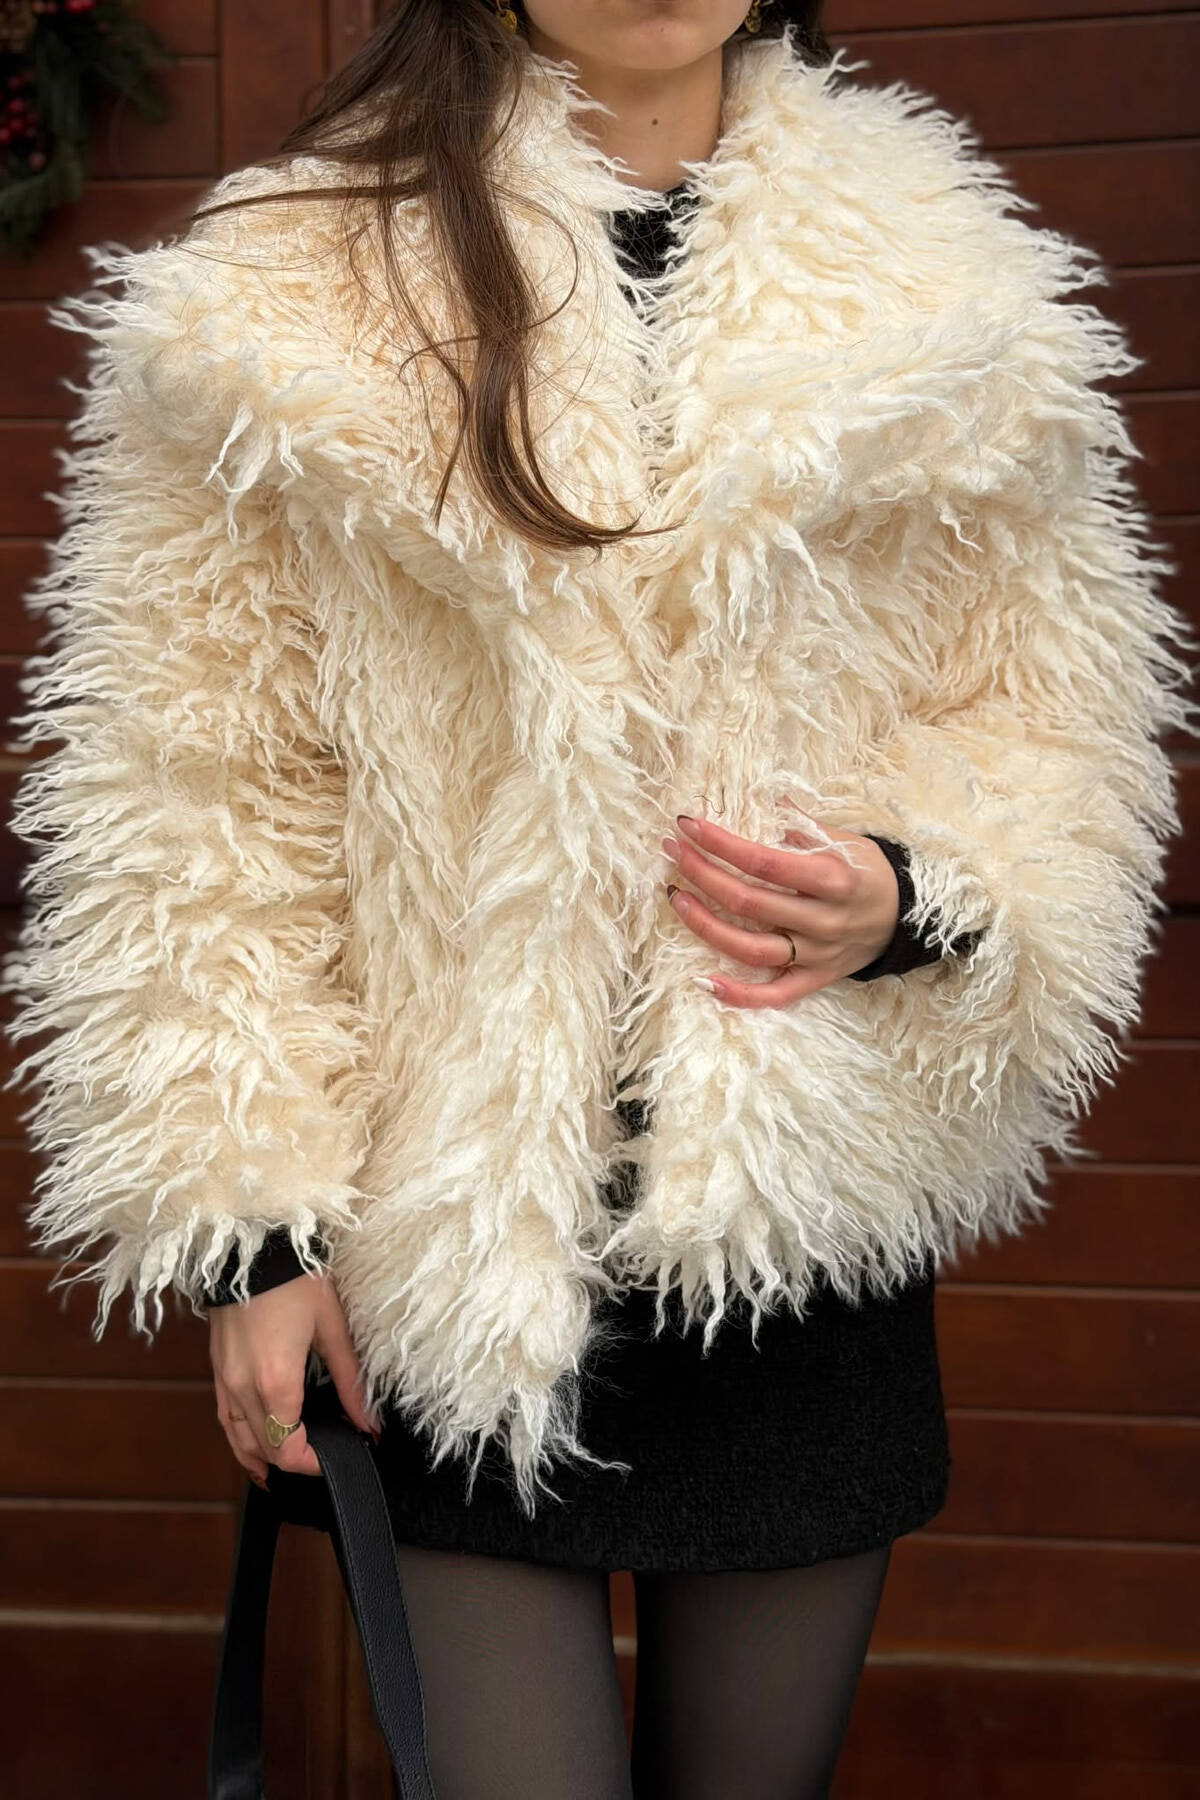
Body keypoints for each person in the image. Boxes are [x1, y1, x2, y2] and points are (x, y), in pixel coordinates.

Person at [3, 3, 1193, 1796]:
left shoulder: (949, 276)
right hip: (448, 1234)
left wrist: (919, 890)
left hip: (795, 1212)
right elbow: (189, 783)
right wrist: (247, 1225)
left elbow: (1059, 708)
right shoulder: (281, 291)